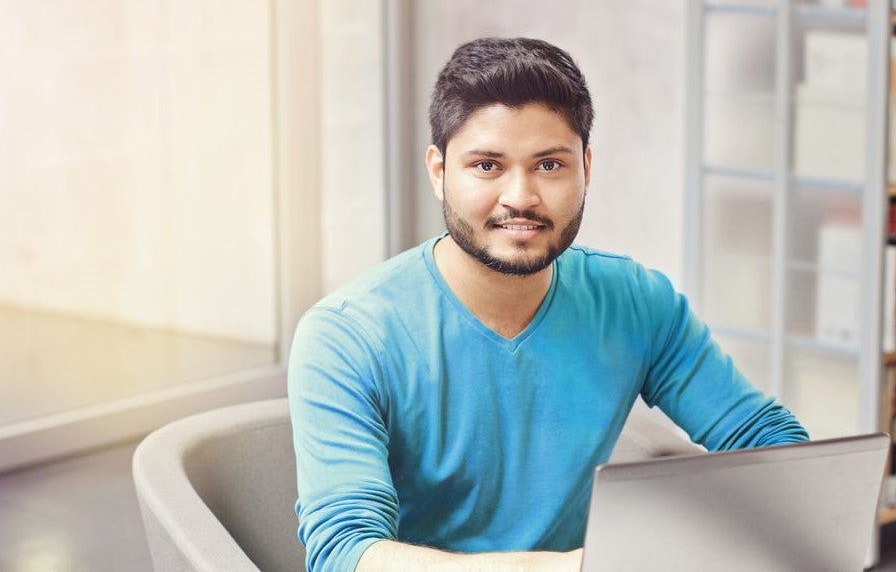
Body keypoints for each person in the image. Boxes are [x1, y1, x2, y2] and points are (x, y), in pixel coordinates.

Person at [288, 37, 808, 572]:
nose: (520, 197)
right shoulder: (345, 335)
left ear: (586, 166)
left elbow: (762, 438)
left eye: (549, 165)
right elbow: (344, 554)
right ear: (439, 171)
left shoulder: (636, 300)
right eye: (487, 165)